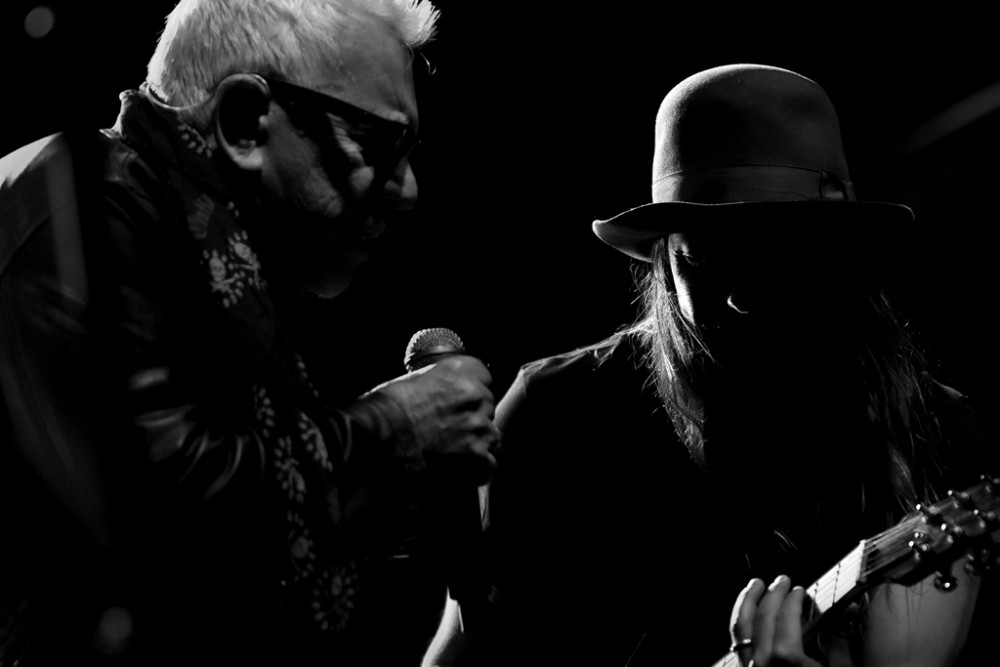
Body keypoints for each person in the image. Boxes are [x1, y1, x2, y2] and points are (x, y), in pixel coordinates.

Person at [423, 64, 995, 666]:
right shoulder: (557, 410)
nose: (744, 295)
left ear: (838, 253)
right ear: (662, 259)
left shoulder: (934, 438)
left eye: (782, 256)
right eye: (707, 259)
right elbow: (465, 650)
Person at [0, 1, 501, 665]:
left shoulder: (198, 247)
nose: (408, 191)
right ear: (243, 122)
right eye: (378, 145)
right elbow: (148, 534)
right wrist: (393, 437)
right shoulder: (70, 202)